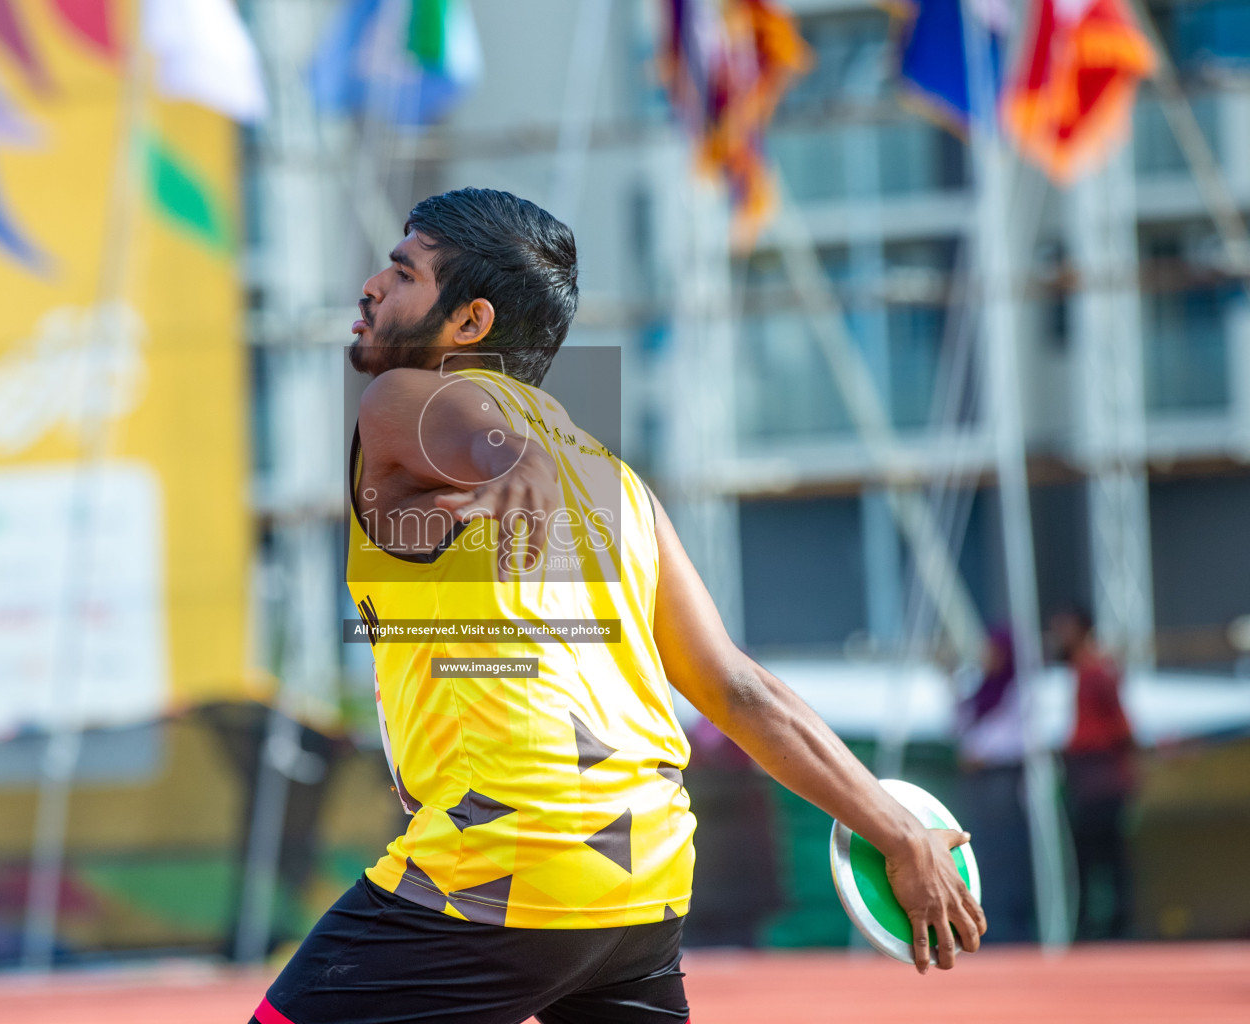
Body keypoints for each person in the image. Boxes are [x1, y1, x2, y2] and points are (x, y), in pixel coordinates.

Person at [254, 188, 985, 1024]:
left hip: (508, 858)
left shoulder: (402, 402)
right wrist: (898, 834)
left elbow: (440, 410)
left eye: (403, 270)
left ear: (469, 323)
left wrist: (509, 449)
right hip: (646, 881)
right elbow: (739, 689)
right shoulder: (618, 481)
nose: (371, 286)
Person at [1051, 607, 1135, 940]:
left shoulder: (1095, 671)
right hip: (1086, 776)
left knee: (1106, 854)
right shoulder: (1079, 671)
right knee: (1088, 855)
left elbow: (1119, 725)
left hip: (1099, 776)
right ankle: (1094, 923)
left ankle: (1114, 925)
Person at [953, 627, 1036, 942]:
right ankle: (985, 922)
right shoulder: (981, 690)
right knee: (982, 851)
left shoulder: (1019, 689)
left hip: (1003, 777)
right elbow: (961, 726)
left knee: (1007, 852)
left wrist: (983, 754)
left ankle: (1012, 926)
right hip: (981, 781)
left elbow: (1013, 735)